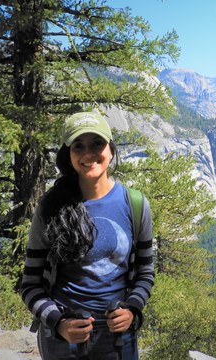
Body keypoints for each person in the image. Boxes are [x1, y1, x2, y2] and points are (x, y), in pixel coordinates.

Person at [19, 110, 154, 360]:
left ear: (111, 150)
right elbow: (30, 284)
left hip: (118, 338)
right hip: (64, 339)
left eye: (97, 144)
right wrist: (59, 323)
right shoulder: (52, 208)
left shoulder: (134, 204)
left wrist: (132, 310)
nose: (88, 154)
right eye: (78, 146)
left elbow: (145, 273)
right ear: (68, 156)